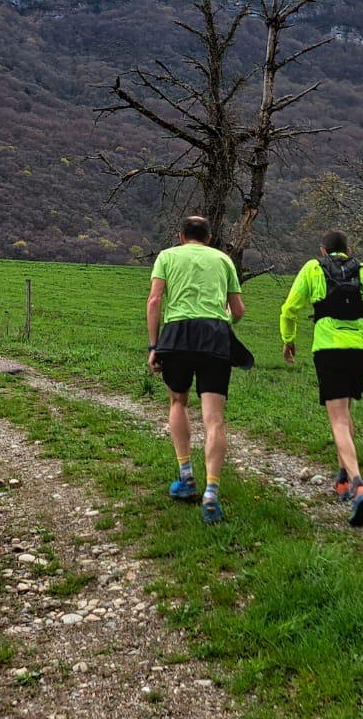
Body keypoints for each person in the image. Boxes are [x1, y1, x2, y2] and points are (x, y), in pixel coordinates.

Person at [279, 230, 363, 526]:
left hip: (328, 346)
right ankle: (342, 478)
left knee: (338, 419)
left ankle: (358, 485)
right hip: (360, 347)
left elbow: (289, 308)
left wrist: (289, 340)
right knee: (346, 409)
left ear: (323, 251)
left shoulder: (313, 268)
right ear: (348, 250)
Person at [147, 215, 246, 524]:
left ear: (181, 236)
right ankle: (212, 493)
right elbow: (239, 310)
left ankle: (186, 476)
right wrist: (219, 320)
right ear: (209, 237)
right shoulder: (223, 260)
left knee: (178, 401)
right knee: (214, 418)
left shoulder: (167, 257)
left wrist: (154, 346)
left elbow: (154, 301)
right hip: (215, 337)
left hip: (176, 334)